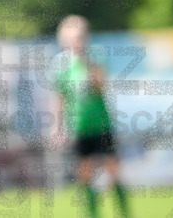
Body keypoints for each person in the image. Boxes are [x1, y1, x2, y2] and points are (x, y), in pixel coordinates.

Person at [52, 15, 129, 218]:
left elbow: (99, 87)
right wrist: (57, 127)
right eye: (73, 37)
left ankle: (125, 212)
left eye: (80, 36)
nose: (77, 41)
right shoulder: (61, 65)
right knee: (84, 175)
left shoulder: (95, 57)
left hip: (101, 124)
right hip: (79, 126)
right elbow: (60, 97)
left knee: (113, 171)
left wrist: (86, 63)